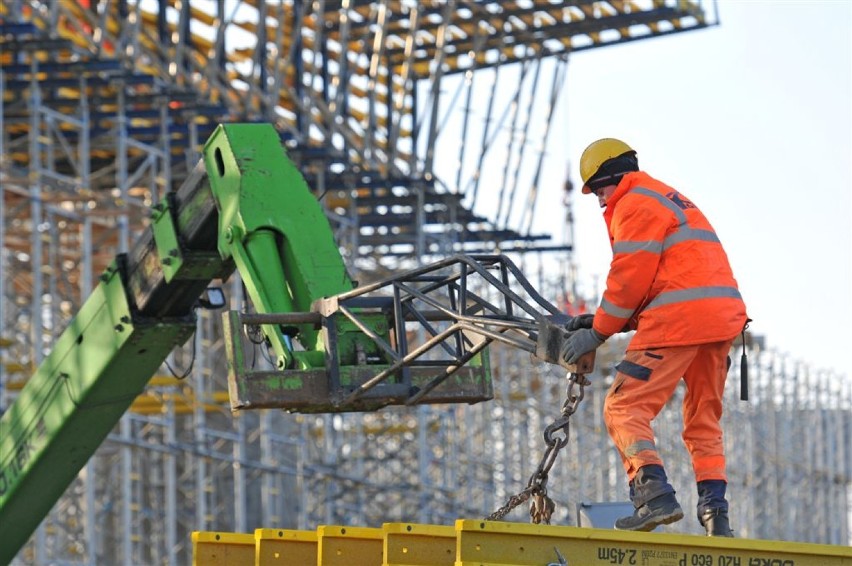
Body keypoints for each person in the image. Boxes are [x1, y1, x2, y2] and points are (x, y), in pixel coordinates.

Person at [561, 138, 748, 537]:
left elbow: (629, 280)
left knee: (623, 407)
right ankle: (716, 516)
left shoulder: (633, 203)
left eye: (598, 190)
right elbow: (667, 280)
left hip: (679, 323)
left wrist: (598, 332)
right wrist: (603, 319)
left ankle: (653, 497)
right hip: (720, 322)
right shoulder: (669, 197)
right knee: (703, 421)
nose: (598, 201)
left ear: (611, 177)